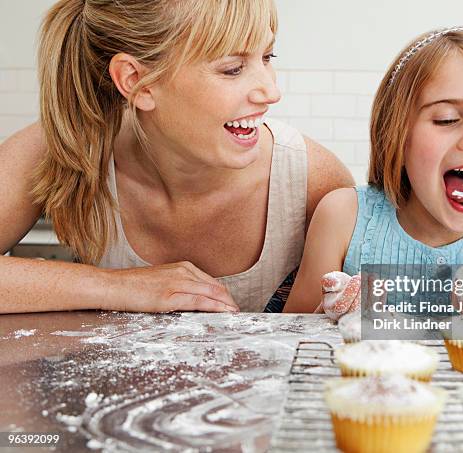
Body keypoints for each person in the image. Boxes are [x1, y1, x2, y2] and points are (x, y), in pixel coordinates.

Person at [0, 0, 353, 314]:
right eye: (233, 68)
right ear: (138, 81)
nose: (271, 92)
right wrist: (116, 286)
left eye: (267, 57)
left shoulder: (313, 178)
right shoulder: (66, 145)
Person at [284, 27, 463, 314]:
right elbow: (294, 333)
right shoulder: (343, 216)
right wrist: (333, 319)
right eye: (446, 119)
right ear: (398, 135)